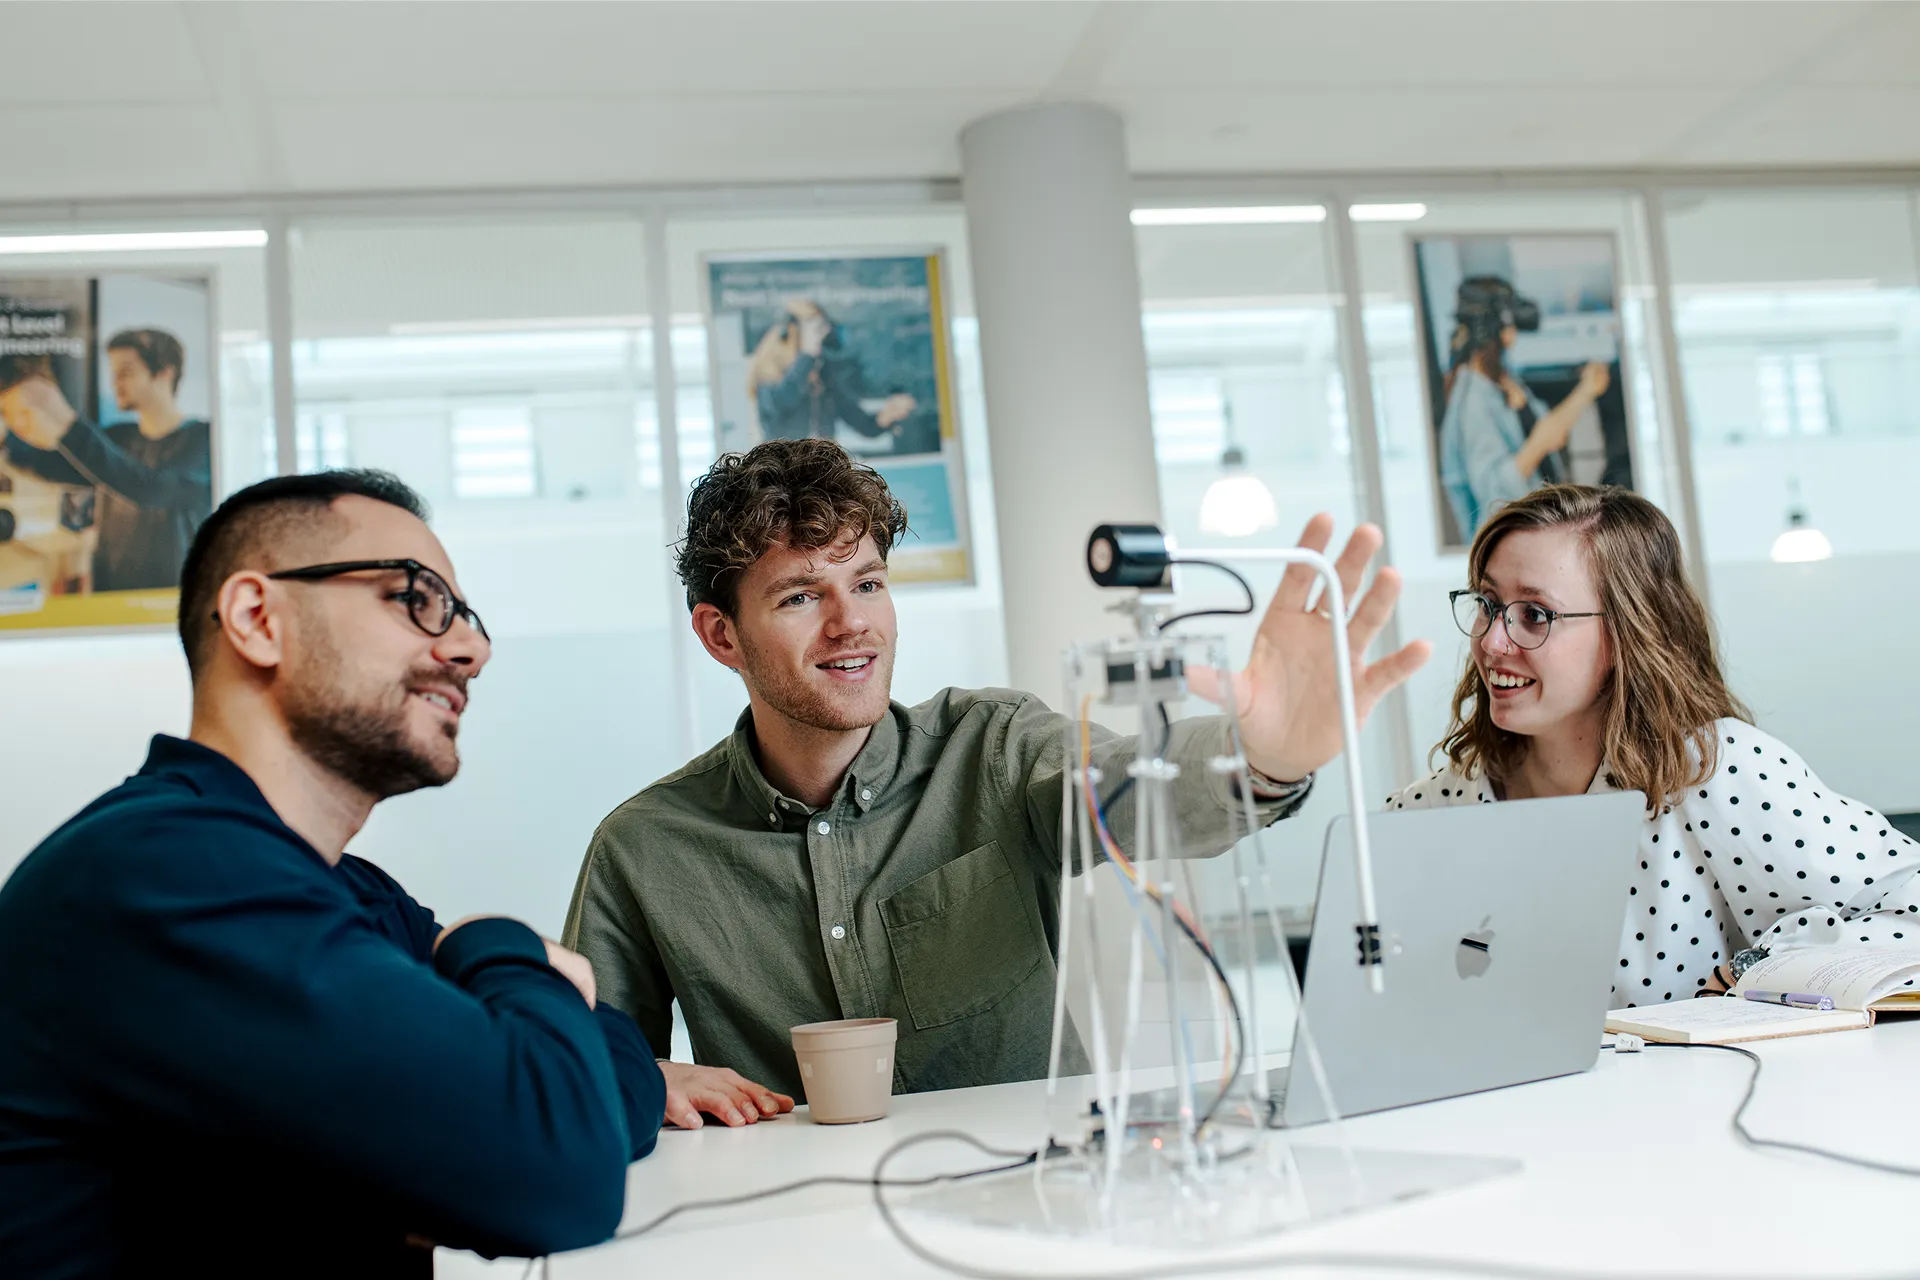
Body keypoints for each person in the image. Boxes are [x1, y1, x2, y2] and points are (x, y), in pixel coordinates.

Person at [565, 438, 1428, 1129]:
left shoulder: (996, 748)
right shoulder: (646, 848)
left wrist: (1263, 756)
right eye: (800, 597)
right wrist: (637, 1074)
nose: (851, 622)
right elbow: (575, 1069)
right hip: (801, 1230)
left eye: (867, 583)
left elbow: (1137, 793)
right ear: (721, 635)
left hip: (1040, 1199)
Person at [0, 470, 665, 1278]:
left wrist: (541, 1050)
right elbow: (560, 1170)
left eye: (466, 616)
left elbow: (610, 1094)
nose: (472, 650)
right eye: (415, 598)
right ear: (258, 619)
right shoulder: (161, 873)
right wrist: (501, 945)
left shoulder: (348, 893)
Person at [1386, 484, 1920, 1005]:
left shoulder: (1715, 769)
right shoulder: (1426, 813)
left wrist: (1759, 968)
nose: (1491, 641)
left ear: (1627, 632)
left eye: (1535, 615)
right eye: (1487, 604)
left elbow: (1907, 904)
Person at [0, 333, 214, 591]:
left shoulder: (203, 439)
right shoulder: (120, 436)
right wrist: (6, 441)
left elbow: (151, 488)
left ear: (165, 373)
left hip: (168, 597)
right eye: (113, 373)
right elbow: (60, 469)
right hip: (110, 592)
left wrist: (67, 421)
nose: (115, 383)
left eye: (126, 372)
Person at [1436, 277, 1610, 541]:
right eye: (1508, 327)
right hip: (1507, 543)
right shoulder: (1472, 402)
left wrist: (1586, 391)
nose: (1513, 337)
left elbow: (1554, 433)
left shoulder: (1501, 384)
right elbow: (1496, 495)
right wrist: (1584, 393)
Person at [744, 300, 922, 449]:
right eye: (816, 329)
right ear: (792, 332)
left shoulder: (823, 378)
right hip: (782, 472)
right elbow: (785, 399)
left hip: (819, 471)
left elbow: (862, 423)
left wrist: (888, 414)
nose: (821, 337)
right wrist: (807, 354)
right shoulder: (769, 376)